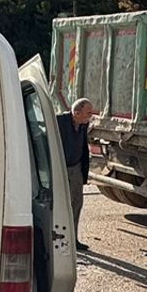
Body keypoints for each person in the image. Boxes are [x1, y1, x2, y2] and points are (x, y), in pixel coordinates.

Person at [57, 98, 95, 253]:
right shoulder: (59, 122)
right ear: (77, 113)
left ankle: (73, 239)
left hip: (76, 168)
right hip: (61, 168)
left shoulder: (83, 124)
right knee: (59, 204)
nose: (91, 116)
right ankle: (58, 239)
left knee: (76, 203)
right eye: (88, 113)